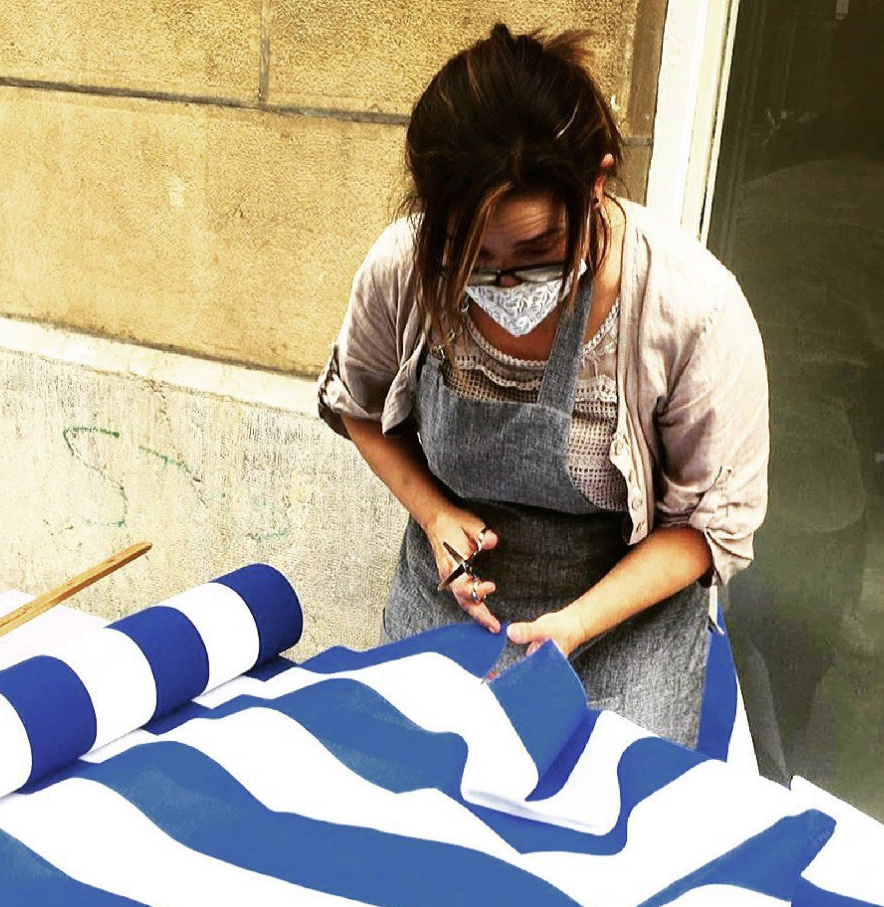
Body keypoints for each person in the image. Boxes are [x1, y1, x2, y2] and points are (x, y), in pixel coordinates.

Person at [317, 25, 768, 747]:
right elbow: (357, 407)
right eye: (471, 251)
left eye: (536, 249)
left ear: (596, 181)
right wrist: (434, 515)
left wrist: (576, 625)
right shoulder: (404, 267)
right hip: (453, 611)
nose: (501, 279)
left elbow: (709, 528)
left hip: (624, 625)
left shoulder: (691, 310)